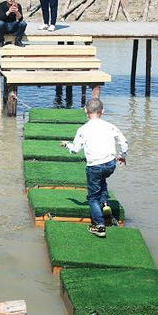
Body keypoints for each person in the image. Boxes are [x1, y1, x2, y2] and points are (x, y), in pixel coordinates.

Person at [62, 98, 127, 238]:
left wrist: (67, 144)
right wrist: (122, 156)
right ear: (102, 111)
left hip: (94, 166)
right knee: (102, 179)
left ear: (85, 110)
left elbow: (75, 150)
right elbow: (123, 141)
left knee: (92, 197)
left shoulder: (83, 129)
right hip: (110, 164)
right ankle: (105, 204)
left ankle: (99, 226)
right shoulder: (110, 126)